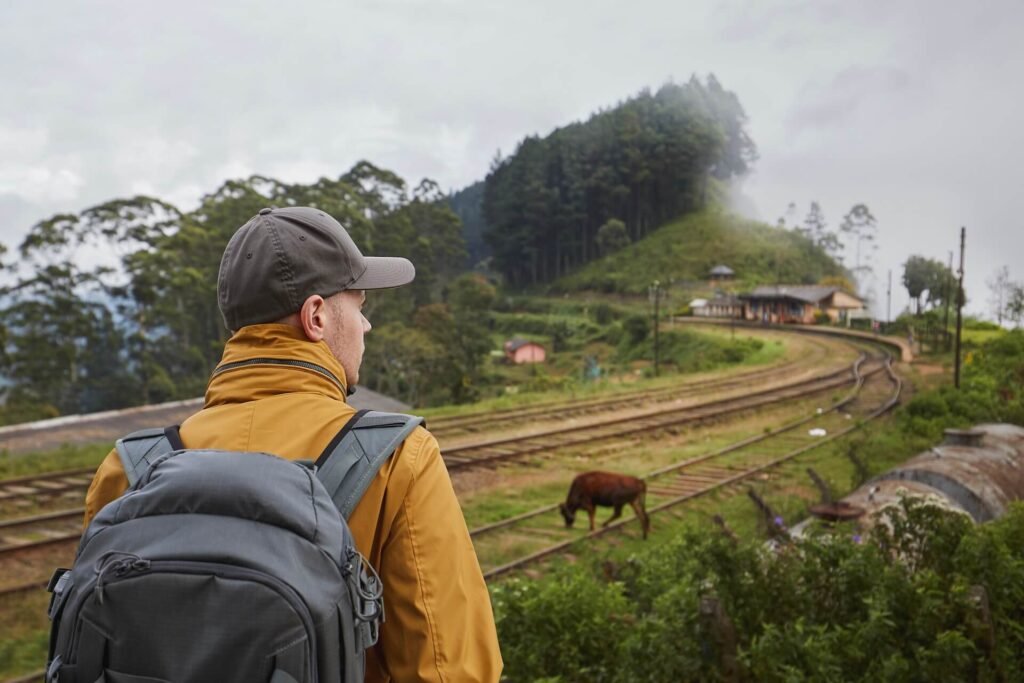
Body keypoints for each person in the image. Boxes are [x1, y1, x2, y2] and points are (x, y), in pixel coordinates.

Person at [83, 206, 503, 682]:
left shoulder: (129, 467)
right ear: (317, 316)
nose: (366, 327)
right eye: (359, 306)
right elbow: (449, 670)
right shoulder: (396, 459)